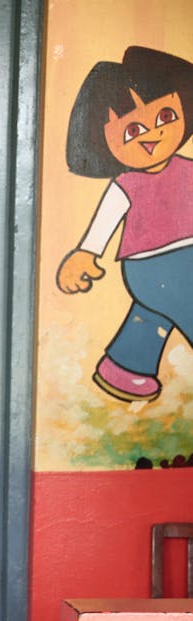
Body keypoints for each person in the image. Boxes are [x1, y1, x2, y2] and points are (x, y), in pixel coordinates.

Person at [56, 46, 193, 402]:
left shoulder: (189, 169)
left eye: (164, 116)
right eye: (132, 130)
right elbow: (104, 223)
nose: (152, 135)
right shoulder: (126, 185)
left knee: (149, 316)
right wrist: (85, 254)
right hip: (155, 265)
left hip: (162, 268)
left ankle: (125, 370)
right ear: (102, 140)